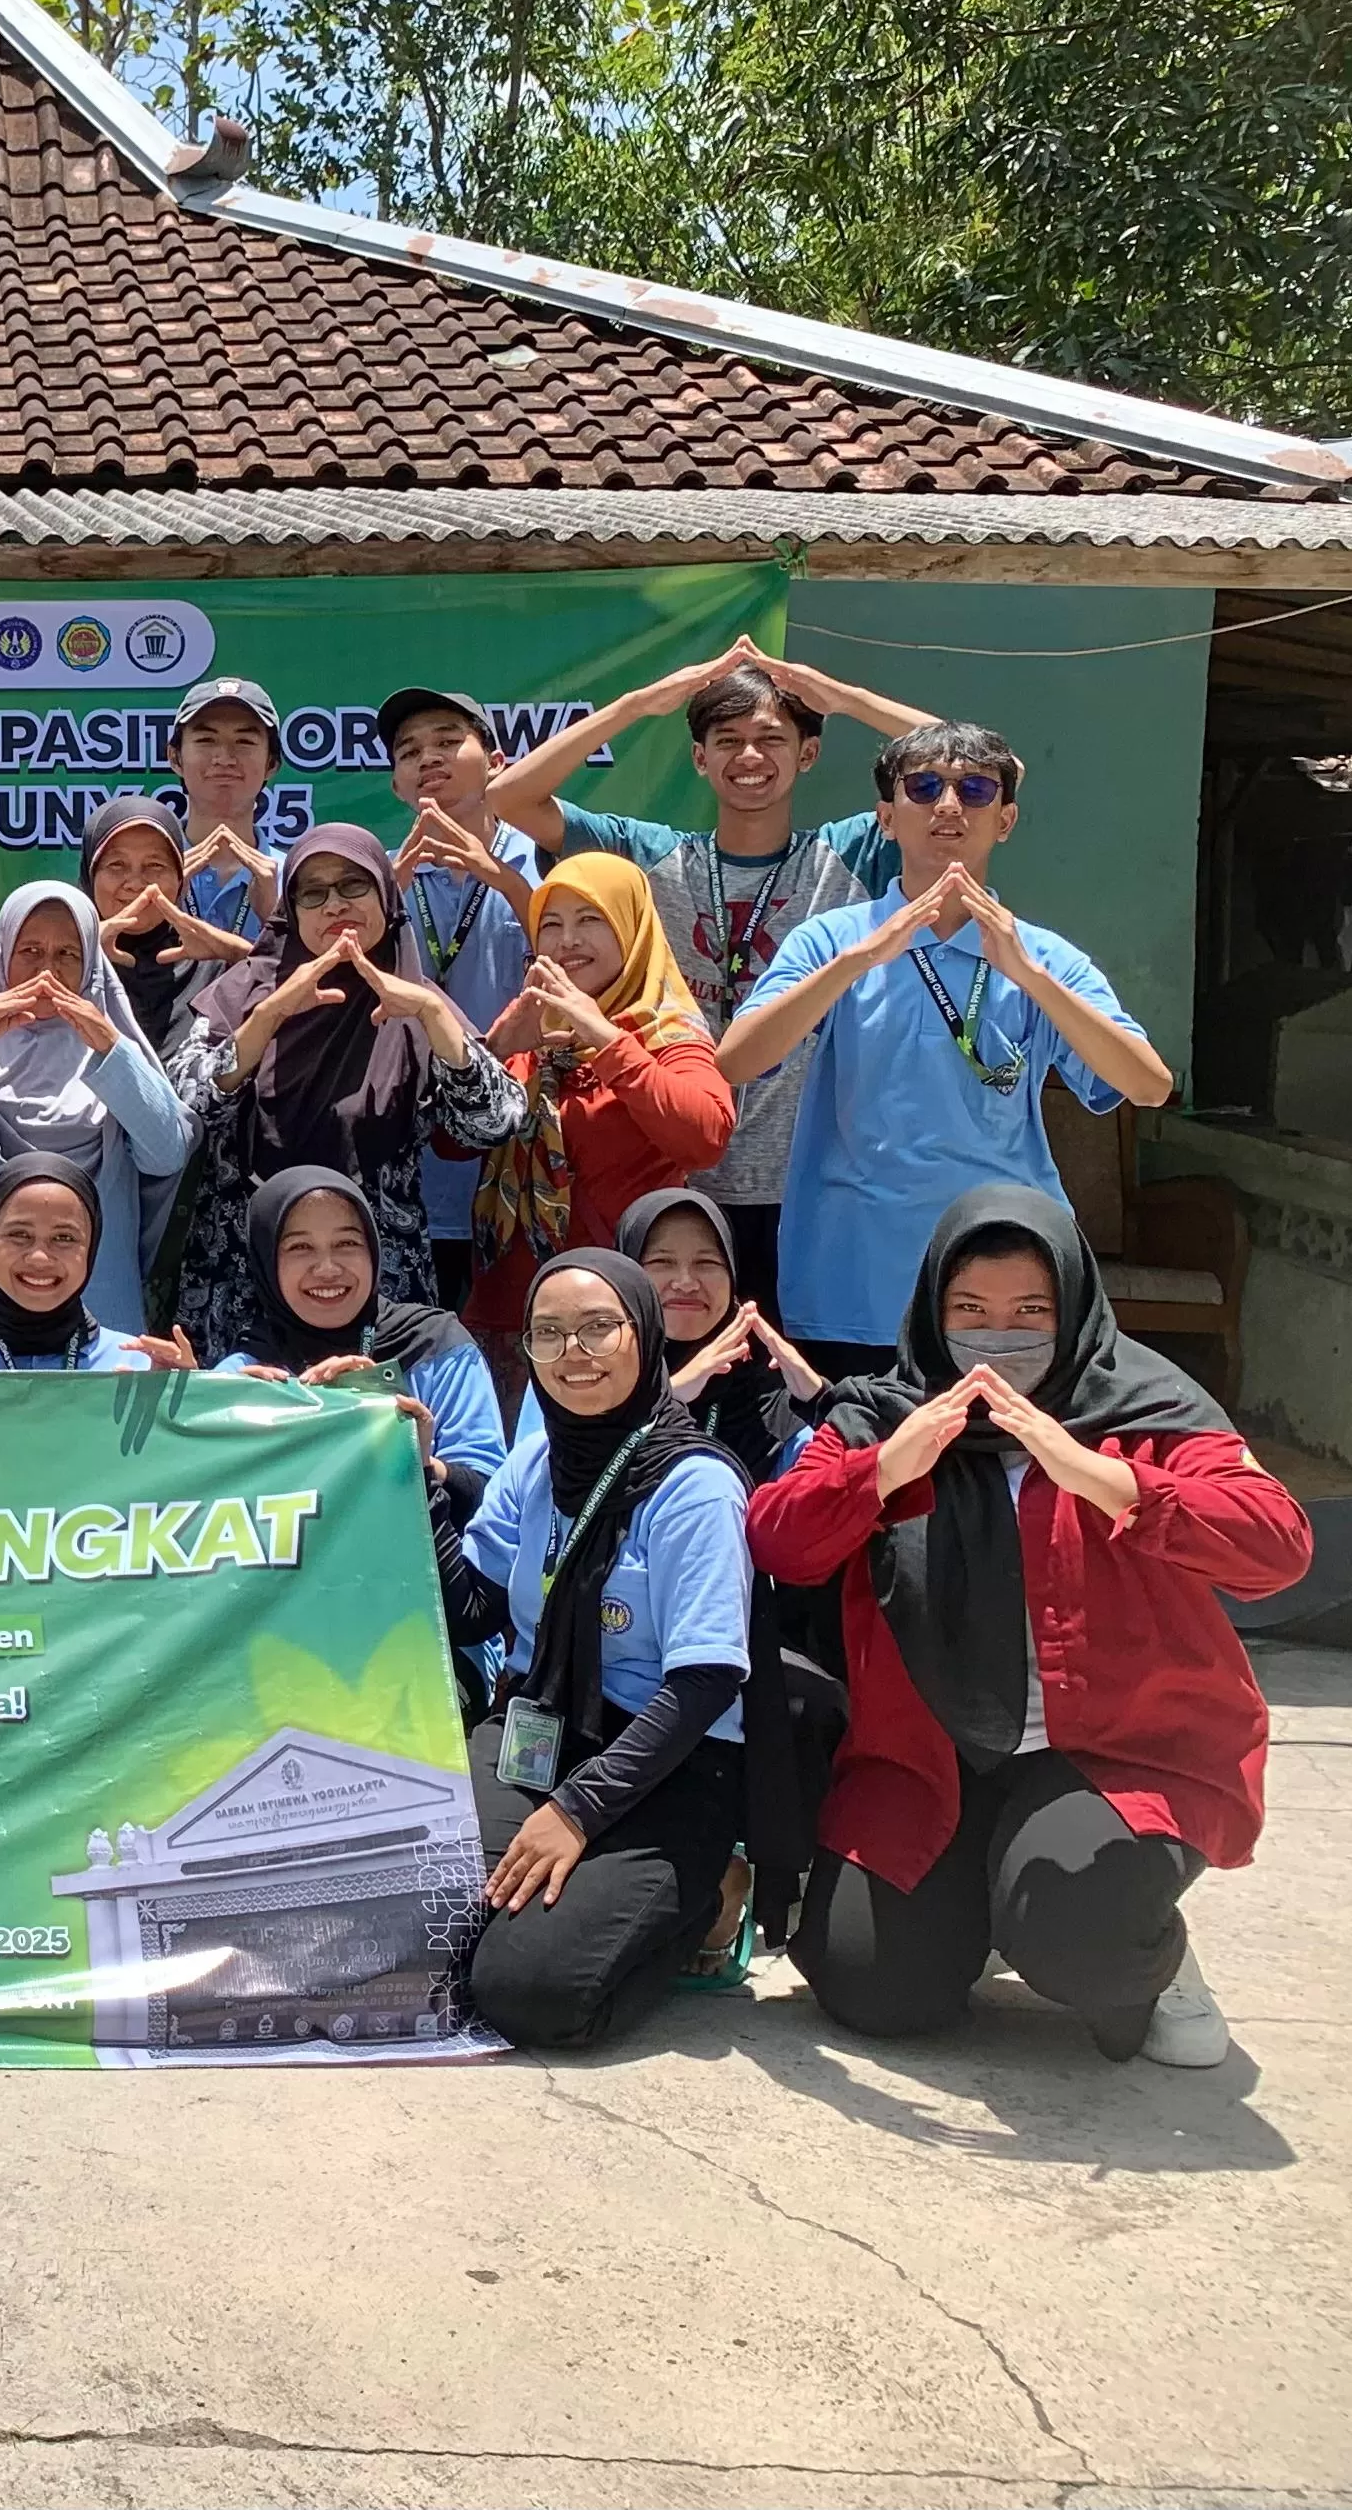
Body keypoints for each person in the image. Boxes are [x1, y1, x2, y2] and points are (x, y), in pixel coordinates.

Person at [750, 1188, 1311, 2068]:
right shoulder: (882, 1411)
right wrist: (892, 1462)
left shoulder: (1142, 1405)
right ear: (933, 1311)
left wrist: (1096, 1476)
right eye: (969, 1310)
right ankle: (981, 1895)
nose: (996, 1336)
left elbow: (1275, 1543)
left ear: (1073, 1309)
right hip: (929, 1759)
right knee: (872, 1985)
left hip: (1115, 1751)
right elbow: (780, 1537)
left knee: (1074, 1925)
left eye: (1029, 1312)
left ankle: (1147, 1955)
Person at [487, 637, 929, 1319]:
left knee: (791, 1379)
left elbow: (973, 756)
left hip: (808, 1184)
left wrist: (838, 697)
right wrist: (637, 704)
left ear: (807, 754)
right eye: (726, 740)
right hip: (674, 1184)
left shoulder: (848, 854)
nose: (747, 757)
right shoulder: (652, 855)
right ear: (698, 758)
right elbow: (509, 796)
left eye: (770, 739)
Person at [720, 721, 1175, 1371]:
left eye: (975, 788)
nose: (947, 805)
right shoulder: (831, 942)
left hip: (1004, 1289)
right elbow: (736, 1060)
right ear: (885, 816)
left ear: (1006, 818)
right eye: (923, 786)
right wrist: (859, 961)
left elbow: (1147, 1085)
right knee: (859, 1471)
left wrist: (1032, 980)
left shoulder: (1038, 957)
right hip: (854, 1283)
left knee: (1003, 1471)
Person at [457, 1252, 752, 2052]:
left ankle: (707, 1899)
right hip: (540, 1730)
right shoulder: (535, 1461)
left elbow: (704, 1681)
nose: (572, 1353)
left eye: (596, 1327)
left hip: (665, 1764)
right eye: (547, 1334)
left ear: (644, 1334)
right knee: (428, 1928)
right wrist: (411, 1475)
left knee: (530, 1991)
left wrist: (576, 1811)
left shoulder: (692, 1485)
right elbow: (475, 1609)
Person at [165, 827, 527, 1351]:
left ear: (385, 894)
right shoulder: (245, 990)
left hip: (377, 1286)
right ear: (292, 909)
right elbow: (186, 1108)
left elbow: (494, 1122)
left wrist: (429, 1015)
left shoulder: (415, 998)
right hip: (243, 1279)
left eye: (353, 885)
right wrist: (268, 1016)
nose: (335, 904)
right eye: (313, 892)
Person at [215, 1168, 506, 1716]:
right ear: (264, 1261)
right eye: (300, 1248)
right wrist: (210, 1422)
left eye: (347, 1244)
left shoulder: (436, 1345)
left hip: (434, 1634)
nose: (328, 1268)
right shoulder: (246, 1372)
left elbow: (495, 1496)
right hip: (290, 1640)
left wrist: (413, 1457)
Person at [0, 881, 194, 1346]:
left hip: (97, 1303)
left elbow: (167, 1154)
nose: (48, 971)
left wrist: (109, 1047)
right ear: (1, 953)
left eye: (68, 954)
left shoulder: (114, 1051)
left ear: (91, 966)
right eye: (29, 950)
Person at [461, 853, 737, 1335]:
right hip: (512, 1314)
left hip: (616, 1311)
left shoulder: (664, 1035)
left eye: (590, 920)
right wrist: (494, 1051)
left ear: (631, 930)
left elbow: (706, 1137)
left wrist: (608, 1042)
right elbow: (455, 1143)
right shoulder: (532, 1026)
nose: (567, 940)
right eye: (551, 924)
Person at [374, 688, 546, 1304]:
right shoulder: (375, 879)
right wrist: (384, 897)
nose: (430, 759)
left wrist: (499, 875)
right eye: (410, 751)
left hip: (522, 1165)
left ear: (496, 761)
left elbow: (579, 963)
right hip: (412, 1169)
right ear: (396, 785)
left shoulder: (545, 865)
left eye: (449, 741)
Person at [0, 1153, 197, 1373]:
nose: (39, 1257)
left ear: (92, 1248)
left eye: (64, 1238)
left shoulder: (137, 1368)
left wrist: (186, 1404)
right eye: (19, 1235)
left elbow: (180, 1452)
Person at [621, 1187, 822, 1489]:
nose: (686, 1283)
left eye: (707, 1263)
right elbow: (548, 1482)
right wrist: (663, 1399)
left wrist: (822, 1402)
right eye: (662, 1262)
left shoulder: (771, 1404)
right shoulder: (578, 1367)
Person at [79, 792, 253, 1063]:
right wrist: (81, 956)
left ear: (180, 880)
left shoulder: (213, 967)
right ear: (90, 876)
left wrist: (242, 955)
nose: (136, 883)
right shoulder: (61, 963)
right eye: (116, 865)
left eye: (155, 866)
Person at [167, 675, 284, 934]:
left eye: (244, 742)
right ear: (175, 758)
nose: (224, 758)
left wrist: (277, 923)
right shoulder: (143, 874)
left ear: (272, 763)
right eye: (206, 740)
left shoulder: (298, 877)